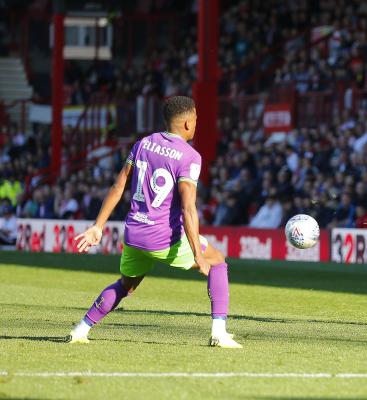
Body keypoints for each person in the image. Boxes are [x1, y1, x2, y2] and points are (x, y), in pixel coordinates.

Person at [69, 96, 242, 348]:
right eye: (195, 120)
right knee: (217, 261)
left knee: (126, 285)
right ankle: (219, 332)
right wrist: (198, 254)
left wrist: (98, 226)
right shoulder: (189, 156)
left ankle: (80, 329)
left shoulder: (143, 144)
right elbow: (187, 208)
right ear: (186, 124)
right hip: (164, 238)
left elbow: (119, 185)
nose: (196, 125)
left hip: (134, 233)